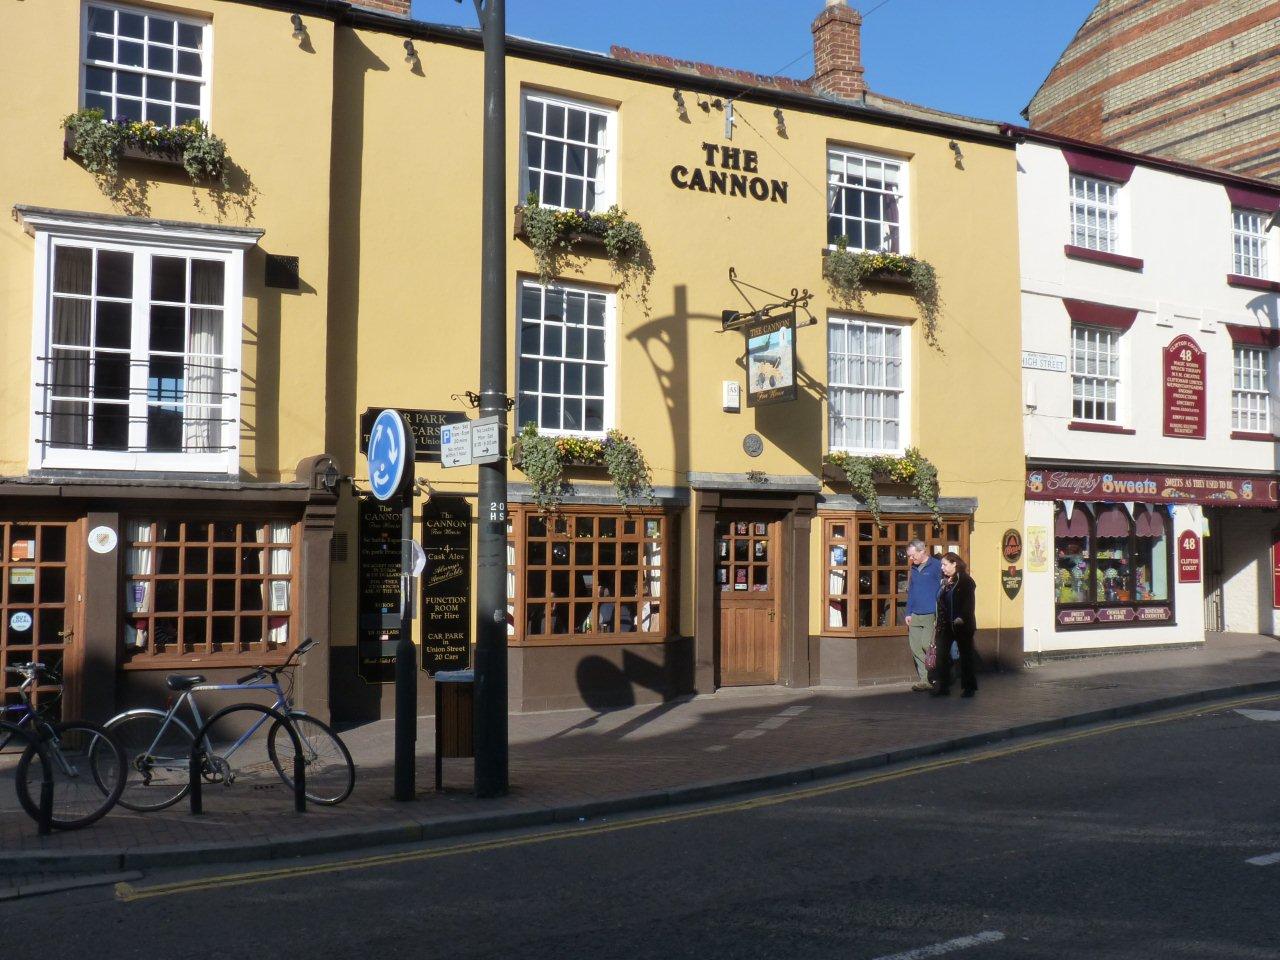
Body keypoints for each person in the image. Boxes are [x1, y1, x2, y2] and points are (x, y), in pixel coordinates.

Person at [932, 551, 978, 698]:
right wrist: (937, 619)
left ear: (954, 564)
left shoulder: (965, 581)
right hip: (945, 625)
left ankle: (969, 687)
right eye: (941, 565)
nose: (942, 568)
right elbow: (941, 601)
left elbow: (968, 603)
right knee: (942, 655)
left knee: (965, 656)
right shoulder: (946, 581)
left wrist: (962, 616)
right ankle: (943, 686)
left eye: (945, 565)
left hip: (961, 624)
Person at [903, 539, 942, 692]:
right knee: (915, 647)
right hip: (915, 614)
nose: (911, 559)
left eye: (913, 555)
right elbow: (911, 591)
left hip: (930, 614)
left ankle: (940, 673)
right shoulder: (913, 568)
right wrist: (908, 612)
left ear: (922, 551)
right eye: (909, 556)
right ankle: (924, 679)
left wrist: (939, 615)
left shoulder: (936, 566)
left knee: (927, 645)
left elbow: (942, 591)